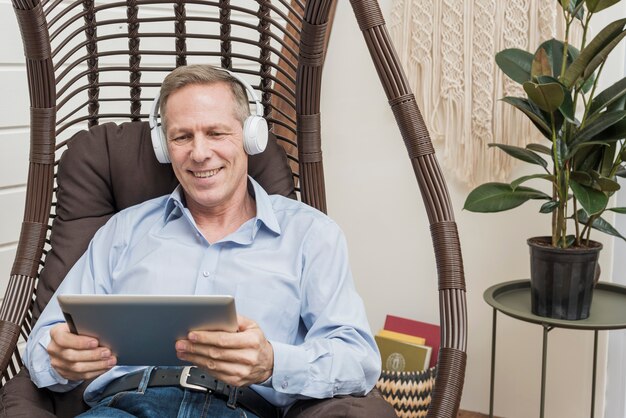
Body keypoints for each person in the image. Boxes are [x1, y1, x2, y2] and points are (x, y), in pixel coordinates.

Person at [23, 65, 396, 417]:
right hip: (125, 405)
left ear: (251, 136)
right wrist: (59, 358)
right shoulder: (124, 230)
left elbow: (358, 359)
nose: (199, 154)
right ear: (163, 145)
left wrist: (272, 362)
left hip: (241, 408)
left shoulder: (311, 234)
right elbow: (43, 345)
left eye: (216, 133)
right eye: (182, 137)